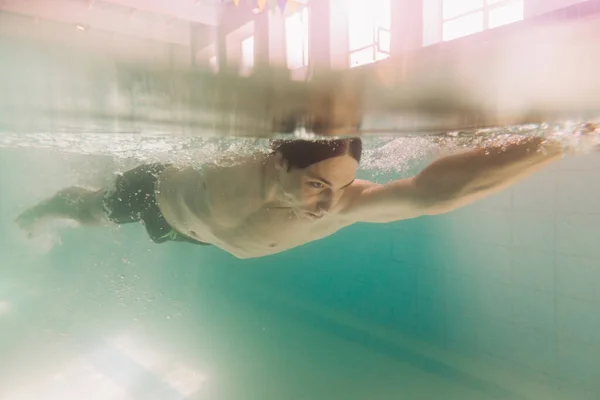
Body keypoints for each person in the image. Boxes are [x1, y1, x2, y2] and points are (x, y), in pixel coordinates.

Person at [16, 135, 565, 259]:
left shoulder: (344, 204)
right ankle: (45, 208)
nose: (330, 203)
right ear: (277, 163)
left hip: (201, 238)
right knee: (90, 211)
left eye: (344, 185)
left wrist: (555, 143)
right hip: (157, 198)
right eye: (318, 183)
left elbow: (430, 194)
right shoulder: (231, 165)